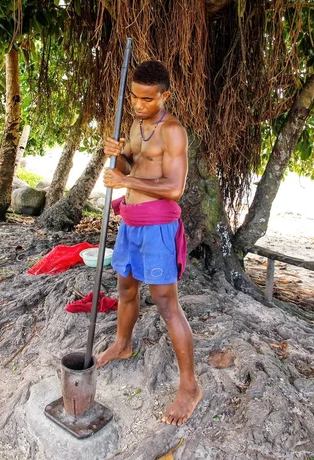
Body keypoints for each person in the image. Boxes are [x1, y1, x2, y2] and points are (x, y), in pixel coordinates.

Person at [97, 60, 202, 426]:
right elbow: (131, 167)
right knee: (126, 290)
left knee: (165, 303)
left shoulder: (174, 131)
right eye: (135, 98)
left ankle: (189, 387)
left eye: (148, 99)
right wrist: (117, 155)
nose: (139, 105)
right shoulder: (135, 123)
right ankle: (123, 345)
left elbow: (174, 188)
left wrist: (125, 181)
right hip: (130, 223)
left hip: (158, 227)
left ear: (165, 95)